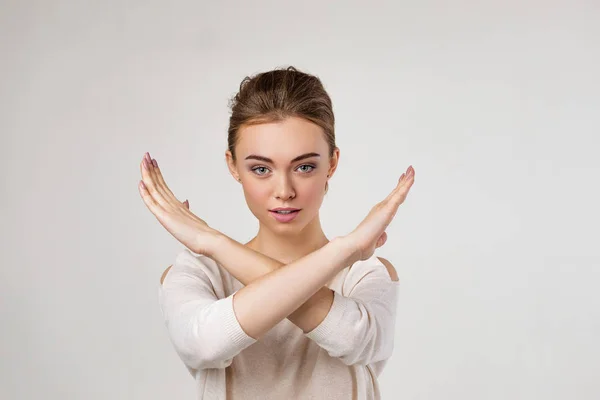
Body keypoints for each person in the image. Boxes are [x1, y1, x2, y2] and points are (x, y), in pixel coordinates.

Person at [138, 66, 415, 399]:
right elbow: (205, 344)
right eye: (261, 169)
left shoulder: (365, 272)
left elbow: (354, 340)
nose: (284, 190)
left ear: (332, 163)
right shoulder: (199, 272)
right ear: (233, 166)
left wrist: (214, 242)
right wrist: (345, 249)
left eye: (304, 166)